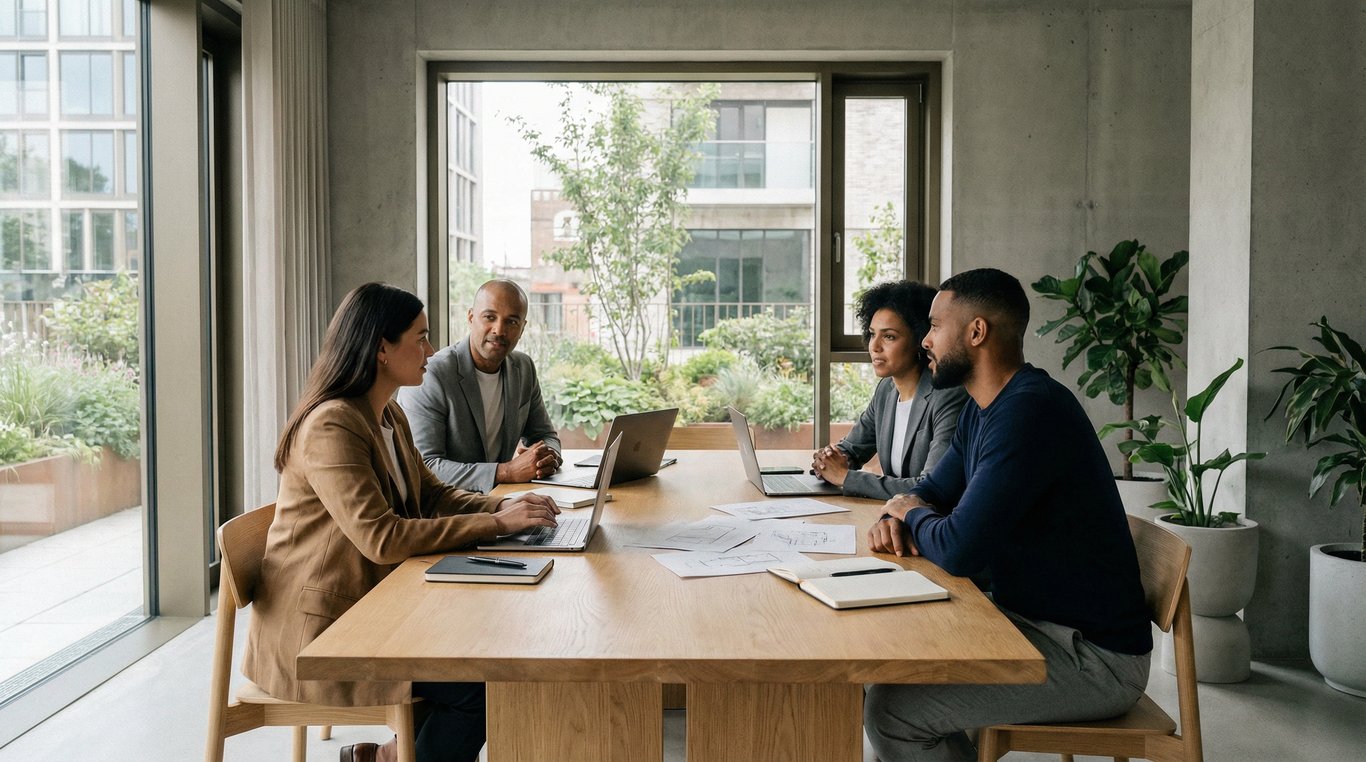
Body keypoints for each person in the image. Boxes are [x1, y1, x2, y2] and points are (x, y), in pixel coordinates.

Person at [242, 283, 561, 762]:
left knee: (488, 650)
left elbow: (431, 495)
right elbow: (382, 538)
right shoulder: (332, 424)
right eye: (421, 337)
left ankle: (389, 757)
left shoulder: (386, 412)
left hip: (372, 607)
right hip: (325, 634)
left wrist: (501, 509)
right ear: (381, 348)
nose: (431, 349)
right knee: (480, 686)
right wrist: (496, 525)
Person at [862, 268, 1152, 762]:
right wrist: (899, 512)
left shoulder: (1028, 413)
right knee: (886, 669)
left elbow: (958, 547)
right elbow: (931, 491)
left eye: (934, 326)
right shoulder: (985, 407)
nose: (925, 340)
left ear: (976, 333)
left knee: (893, 710)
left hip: (1094, 657)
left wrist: (910, 516)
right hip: (1029, 620)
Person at [398, 279, 561, 493]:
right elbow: (425, 466)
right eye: (489, 317)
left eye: (511, 321)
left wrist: (547, 457)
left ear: (522, 328)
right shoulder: (431, 374)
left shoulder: (524, 368)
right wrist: (505, 472)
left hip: (498, 501)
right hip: (444, 512)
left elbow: (544, 435)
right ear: (471, 318)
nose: (499, 330)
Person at [810, 280, 968, 499]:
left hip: (930, 522)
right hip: (891, 517)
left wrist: (846, 478)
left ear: (920, 340)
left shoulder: (948, 395)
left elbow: (931, 487)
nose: (874, 346)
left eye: (889, 336)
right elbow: (852, 449)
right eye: (872, 334)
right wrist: (828, 460)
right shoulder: (887, 389)